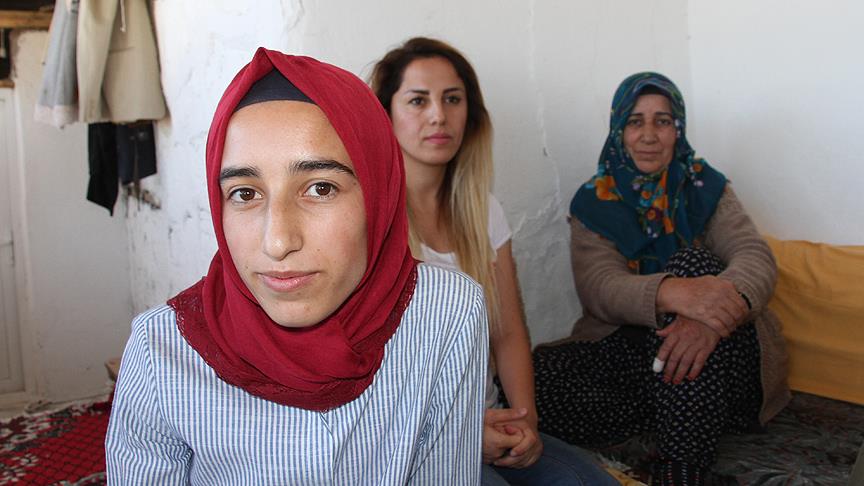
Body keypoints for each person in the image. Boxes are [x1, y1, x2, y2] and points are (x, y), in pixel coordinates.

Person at [105, 48, 490, 485]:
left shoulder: (447, 312)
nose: (278, 242)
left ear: (378, 195)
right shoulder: (161, 351)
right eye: (245, 193)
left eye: (320, 188)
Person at [371, 37, 616, 486]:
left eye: (452, 99)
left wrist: (526, 423)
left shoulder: (485, 210)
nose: (438, 116)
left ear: (471, 114)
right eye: (418, 100)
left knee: (590, 482)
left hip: (490, 420)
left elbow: (507, 332)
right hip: (406, 437)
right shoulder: (368, 219)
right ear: (385, 113)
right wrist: (460, 435)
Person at [533, 72, 790, 486]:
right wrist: (673, 294)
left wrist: (705, 318)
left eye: (663, 121)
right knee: (531, 378)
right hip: (638, 351)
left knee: (695, 263)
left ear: (678, 129)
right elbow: (599, 287)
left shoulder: (704, 186)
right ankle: (682, 410)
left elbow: (754, 256)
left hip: (728, 352)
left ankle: (681, 465)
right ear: (619, 129)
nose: (649, 135)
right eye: (636, 122)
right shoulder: (596, 200)